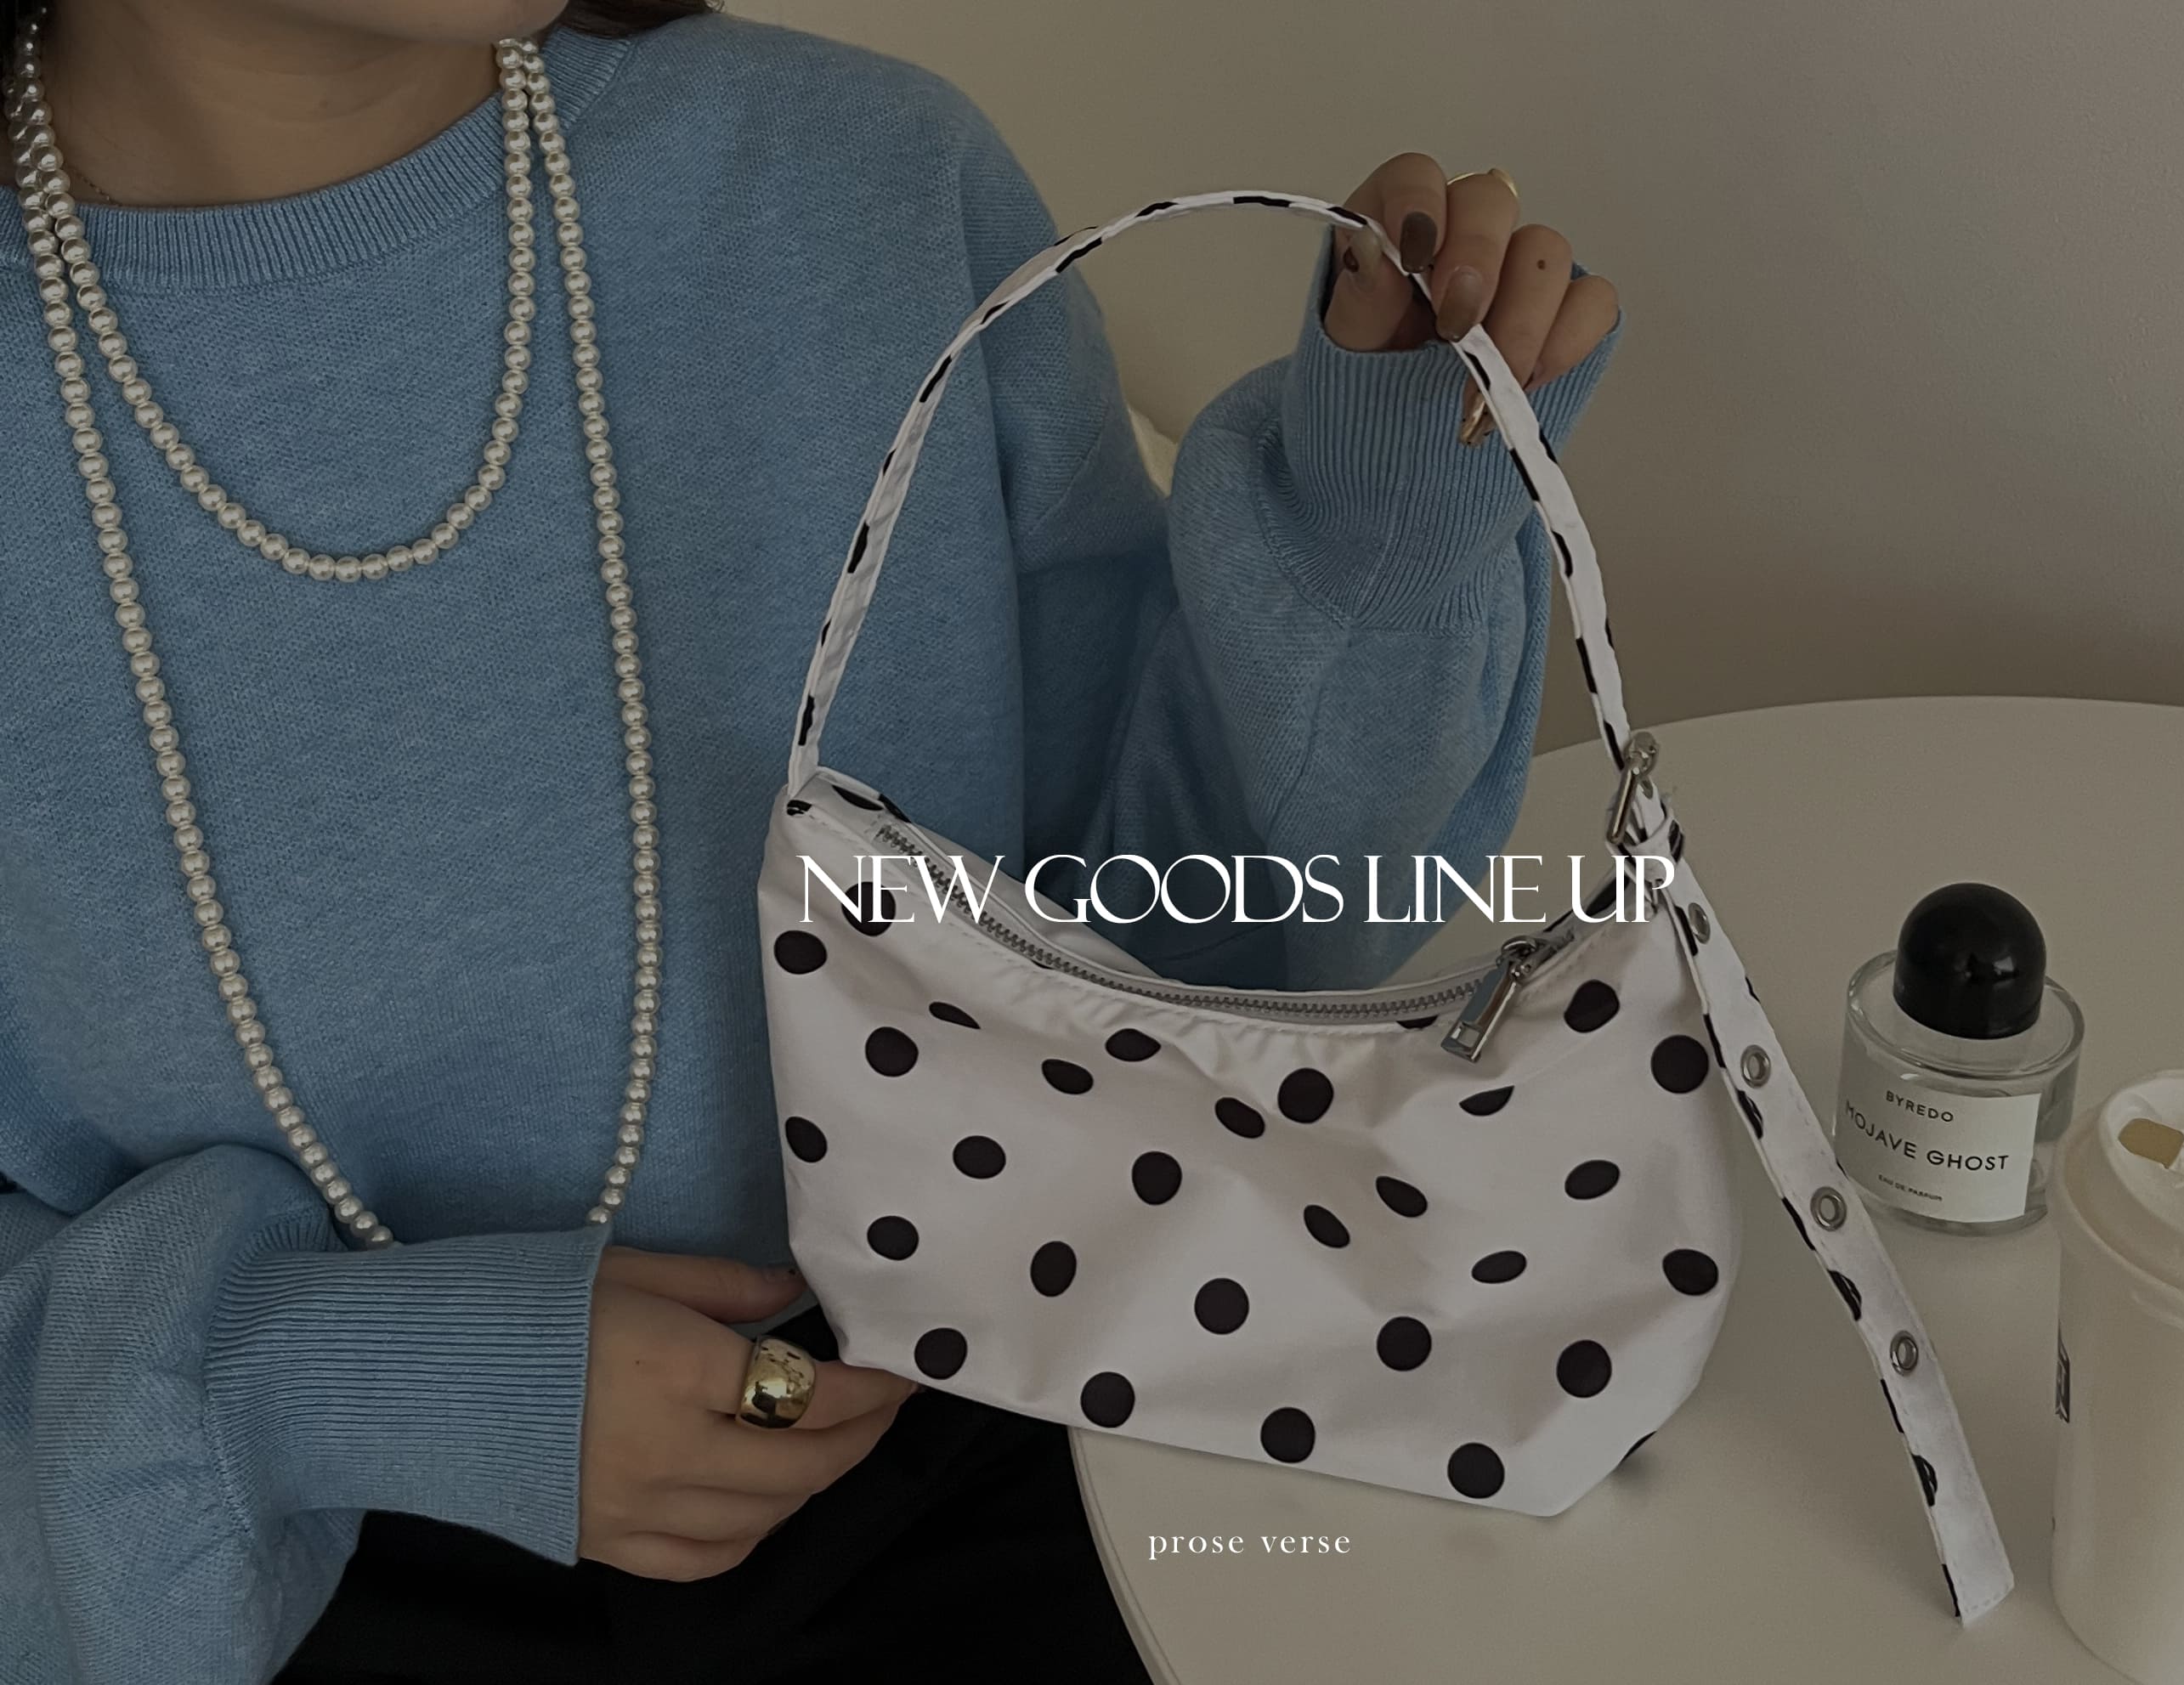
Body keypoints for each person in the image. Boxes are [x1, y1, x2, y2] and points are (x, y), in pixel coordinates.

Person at [0, 0, 1620, 1678]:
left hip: (1007, 1425)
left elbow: (1178, 963)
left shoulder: (859, 182)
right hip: (221, 1560)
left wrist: (1373, 539)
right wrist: (316, 1385)